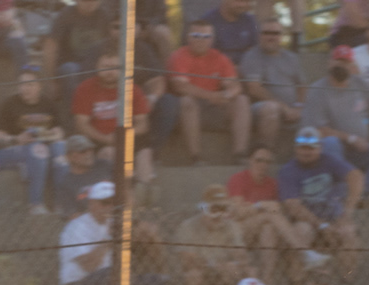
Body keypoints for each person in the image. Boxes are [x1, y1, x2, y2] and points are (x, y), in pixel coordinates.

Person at [59, 180, 164, 285]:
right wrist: (109, 239)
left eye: (114, 203)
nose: (109, 207)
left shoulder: (117, 223)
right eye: (105, 202)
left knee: (155, 280)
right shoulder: (76, 228)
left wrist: (151, 237)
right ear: (91, 204)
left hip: (113, 278)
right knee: (112, 274)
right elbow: (88, 266)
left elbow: (156, 260)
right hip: (78, 284)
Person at [302, 45, 369, 192]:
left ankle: (357, 190)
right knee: (330, 142)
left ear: (353, 66)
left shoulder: (362, 84)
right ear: (330, 63)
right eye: (338, 61)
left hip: (362, 151)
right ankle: (346, 191)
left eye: (346, 62)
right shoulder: (317, 90)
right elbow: (317, 131)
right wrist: (351, 139)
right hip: (334, 152)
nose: (342, 65)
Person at [277, 128, 362, 285]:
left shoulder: (329, 160)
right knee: (301, 232)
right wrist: (321, 225)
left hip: (333, 216)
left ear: (320, 148)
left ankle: (347, 284)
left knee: (349, 232)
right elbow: (293, 207)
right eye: (302, 148)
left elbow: (356, 176)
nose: (306, 152)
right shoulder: (288, 170)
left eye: (311, 148)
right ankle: (298, 284)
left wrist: (347, 212)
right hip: (306, 220)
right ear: (296, 148)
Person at [167, 17, 250, 162]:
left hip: (214, 108)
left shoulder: (219, 57)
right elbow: (180, 86)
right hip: (187, 110)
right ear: (188, 37)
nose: (201, 40)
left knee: (241, 100)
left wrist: (226, 94)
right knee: (187, 101)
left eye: (206, 36)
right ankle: (195, 156)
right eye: (196, 36)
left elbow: (235, 86)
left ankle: (239, 154)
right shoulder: (179, 55)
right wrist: (211, 96)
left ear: (212, 39)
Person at [0, 67, 67, 215]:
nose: (25, 88)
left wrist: (51, 135)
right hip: (4, 154)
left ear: (40, 86)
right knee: (38, 149)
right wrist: (16, 139)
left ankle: (60, 204)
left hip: (39, 151)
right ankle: (36, 204)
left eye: (30, 84)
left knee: (59, 148)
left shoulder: (48, 104)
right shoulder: (9, 103)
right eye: (22, 84)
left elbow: (60, 131)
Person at [71, 54, 157, 184]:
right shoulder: (85, 88)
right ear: (97, 67)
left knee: (145, 153)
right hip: (98, 140)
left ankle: (144, 191)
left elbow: (143, 124)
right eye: (105, 67)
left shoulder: (132, 89)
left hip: (127, 137)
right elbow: (81, 124)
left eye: (114, 67)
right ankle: (126, 188)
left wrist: (123, 135)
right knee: (109, 152)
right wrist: (105, 138)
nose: (110, 72)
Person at [176, 183, 250, 285]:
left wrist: (235, 263)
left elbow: (242, 257)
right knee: (193, 275)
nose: (218, 215)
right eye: (214, 209)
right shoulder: (188, 226)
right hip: (200, 274)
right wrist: (216, 265)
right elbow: (188, 260)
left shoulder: (232, 226)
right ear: (204, 209)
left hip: (225, 274)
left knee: (250, 273)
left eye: (223, 209)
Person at [225, 146, 293, 280]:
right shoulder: (238, 179)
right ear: (249, 161)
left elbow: (279, 210)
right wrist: (261, 205)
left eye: (267, 162)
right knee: (268, 215)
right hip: (239, 233)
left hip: (261, 235)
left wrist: (252, 208)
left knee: (268, 229)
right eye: (259, 160)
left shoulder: (273, 184)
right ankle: (305, 252)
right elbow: (238, 213)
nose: (263, 165)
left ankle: (266, 283)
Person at [241, 17, 306, 151]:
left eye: (275, 33)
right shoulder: (252, 56)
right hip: (259, 109)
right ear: (259, 35)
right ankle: (265, 154)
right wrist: (283, 107)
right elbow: (254, 88)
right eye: (266, 33)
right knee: (270, 109)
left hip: (293, 109)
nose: (271, 37)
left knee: (318, 113)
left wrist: (299, 107)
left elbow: (302, 86)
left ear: (281, 36)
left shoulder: (291, 58)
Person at [43, 0, 109, 92]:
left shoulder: (104, 16)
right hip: (71, 63)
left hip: (95, 64)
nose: (89, 3)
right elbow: (50, 46)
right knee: (70, 69)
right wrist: (51, 80)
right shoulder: (66, 15)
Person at [51, 133, 107, 212]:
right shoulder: (66, 185)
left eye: (90, 149)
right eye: (83, 151)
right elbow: (74, 217)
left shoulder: (104, 165)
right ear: (69, 157)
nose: (89, 154)